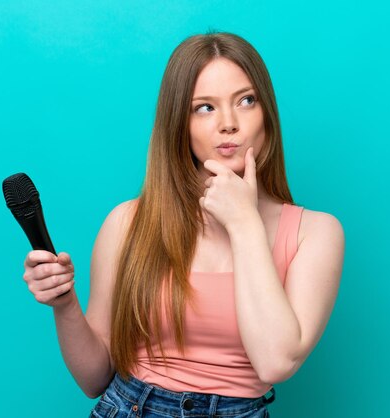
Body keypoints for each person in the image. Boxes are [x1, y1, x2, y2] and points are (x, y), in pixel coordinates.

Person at [22, 32, 344, 417]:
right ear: (180, 123)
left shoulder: (316, 233)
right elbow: (94, 378)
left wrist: (244, 225)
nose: (228, 123)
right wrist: (65, 305)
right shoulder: (128, 223)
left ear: (267, 113)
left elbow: (276, 363)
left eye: (246, 101)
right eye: (204, 108)